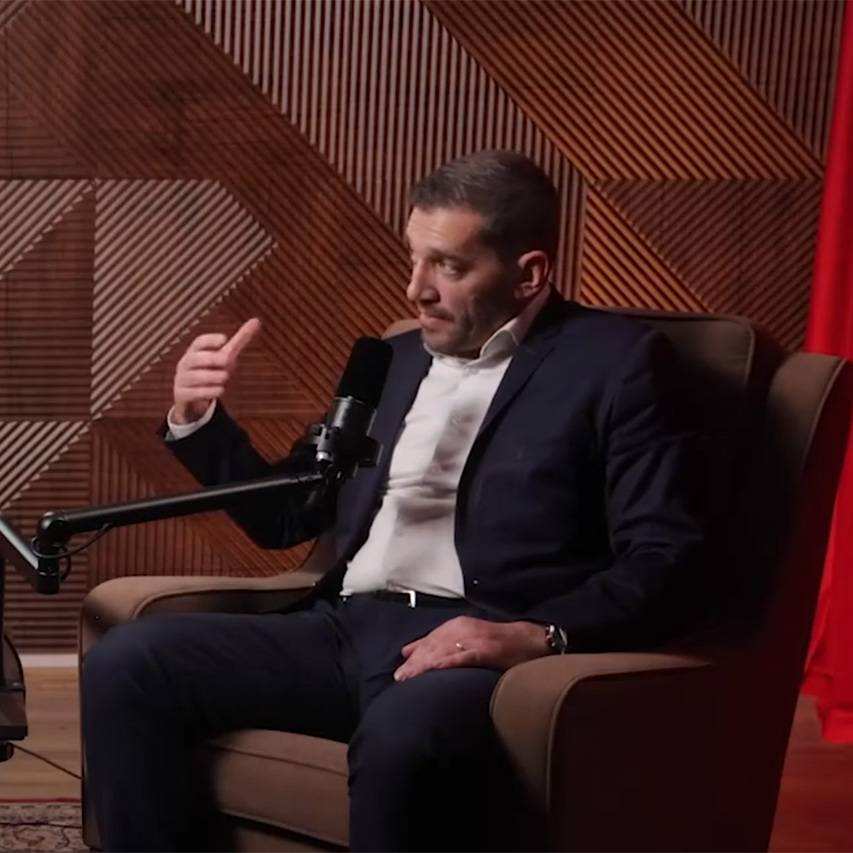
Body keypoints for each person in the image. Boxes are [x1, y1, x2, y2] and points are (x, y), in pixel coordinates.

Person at [80, 150, 705, 852]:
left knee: (403, 741)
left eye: (449, 266)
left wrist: (535, 634)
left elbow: (664, 555)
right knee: (127, 661)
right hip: (341, 628)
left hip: (470, 642)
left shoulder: (616, 363)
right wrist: (200, 422)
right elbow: (286, 514)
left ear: (529, 274)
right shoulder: (396, 358)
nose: (416, 290)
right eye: (414, 259)